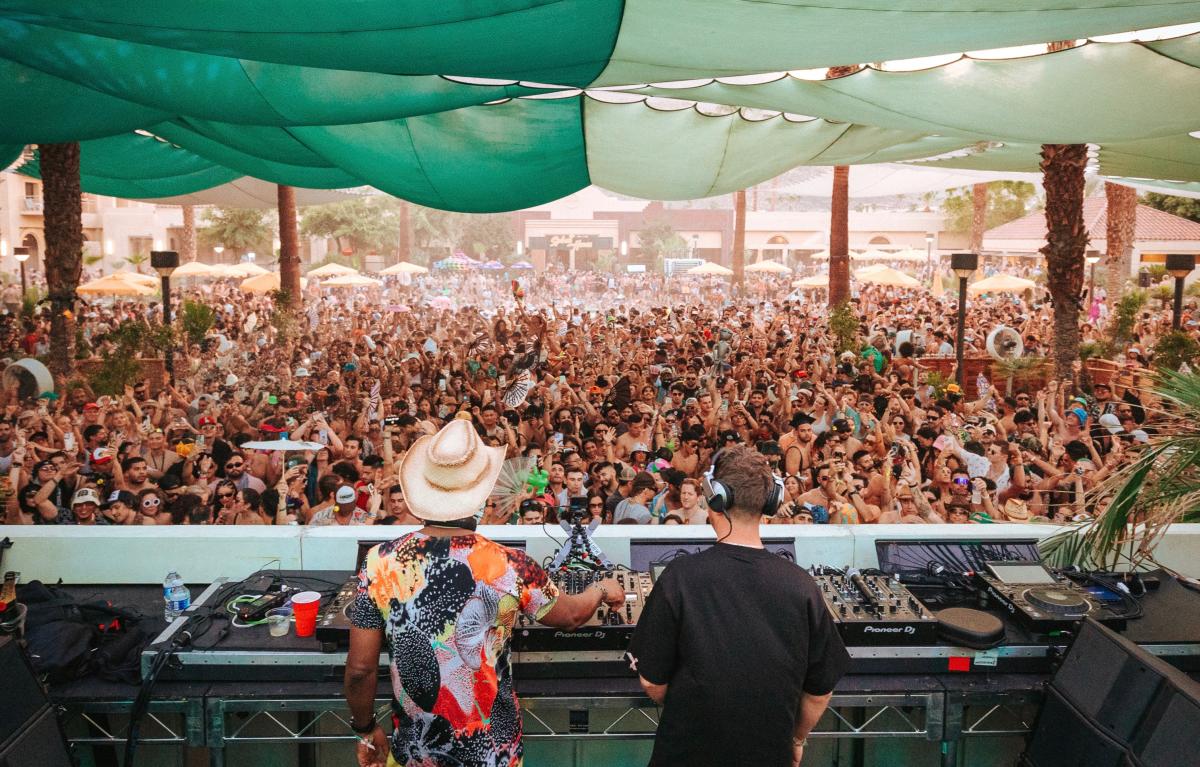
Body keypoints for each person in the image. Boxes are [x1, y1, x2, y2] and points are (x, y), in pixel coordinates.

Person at [343, 419, 627, 767]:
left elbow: (360, 670)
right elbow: (571, 615)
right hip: (494, 753)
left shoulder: (378, 563)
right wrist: (601, 589)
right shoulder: (509, 564)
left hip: (416, 752)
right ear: (481, 495)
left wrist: (365, 729)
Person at [628, 445, 848, 766]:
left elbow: (652, 681)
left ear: (714, 498)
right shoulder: (802, 586)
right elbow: (820, 691)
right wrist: (796, 740)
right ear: (771, 502)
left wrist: (698, 707)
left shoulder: (679, 578)